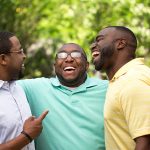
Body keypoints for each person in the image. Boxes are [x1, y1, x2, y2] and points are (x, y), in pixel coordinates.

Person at [18, 43, 108, 150]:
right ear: (55, 66)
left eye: (76, 54)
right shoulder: (34, 88)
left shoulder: (107, 88)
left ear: (87, 65)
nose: (68, 59)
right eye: (62, 55)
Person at [91, 26, 150, 150]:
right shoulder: (120, 80)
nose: (93, 46)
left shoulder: (132, 80)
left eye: (99, 39)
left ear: (120, 44)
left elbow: (146, 142)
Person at [0, 31, 48, 150]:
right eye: (20, 51)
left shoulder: (18, 88)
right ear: (3, 59)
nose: (24, 56)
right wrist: (27, 136)